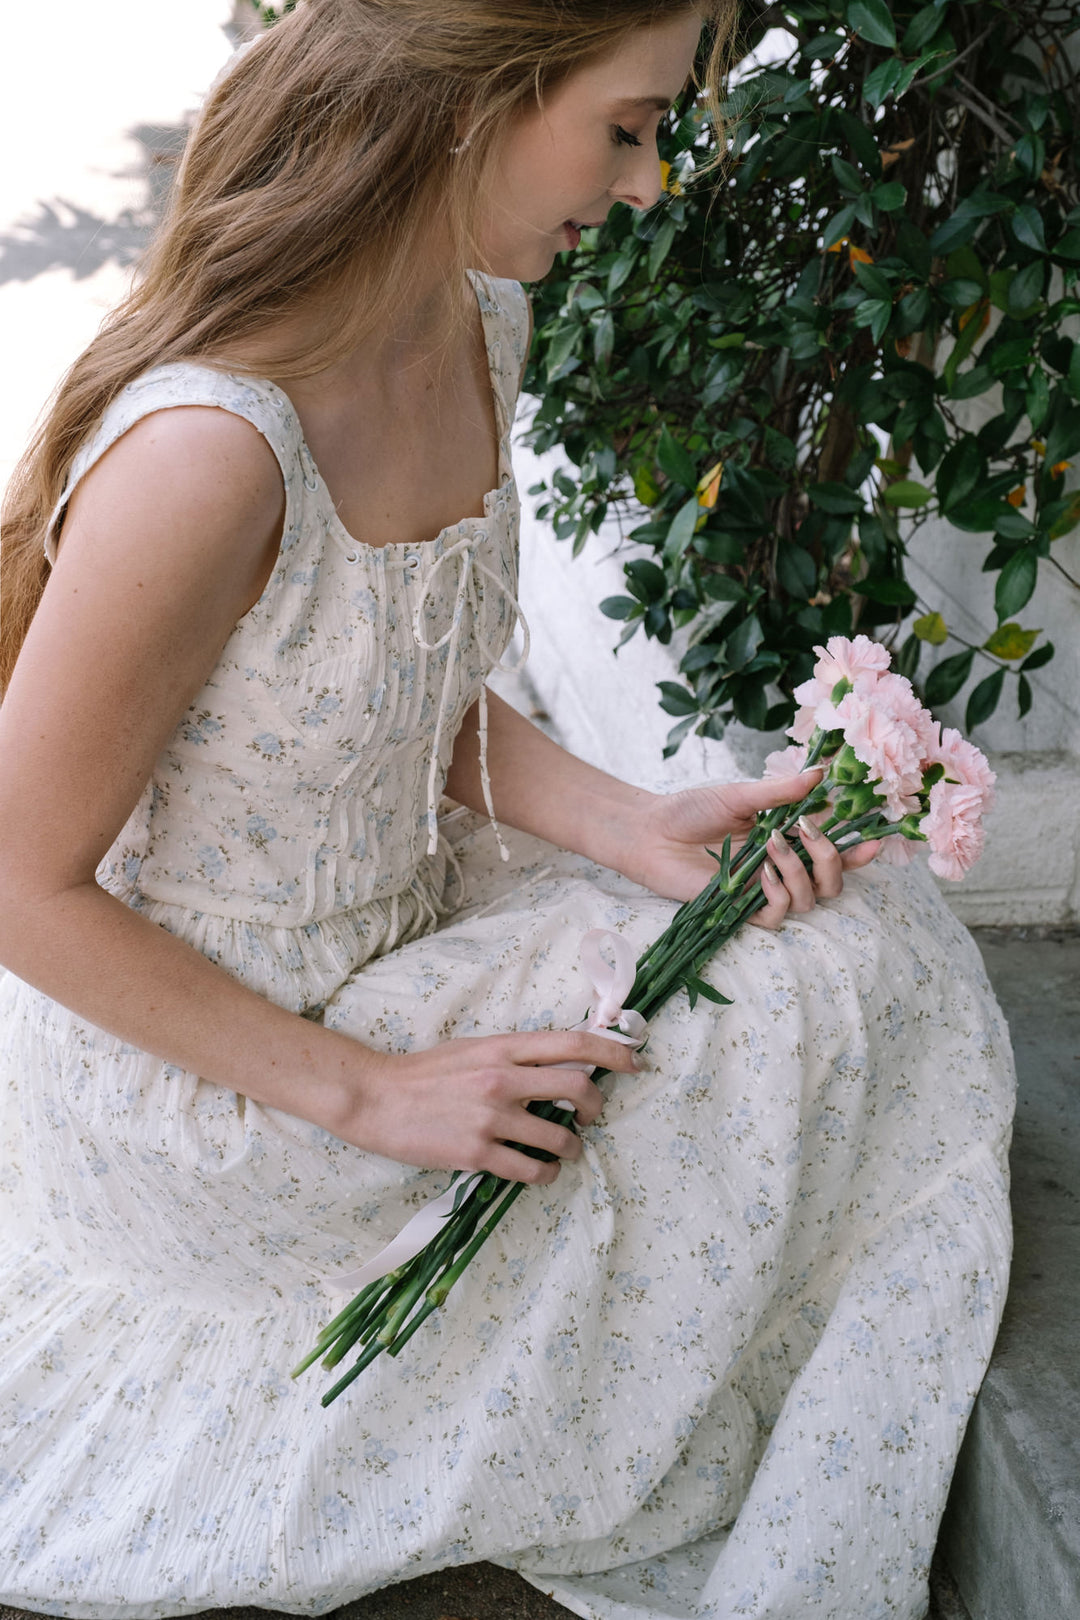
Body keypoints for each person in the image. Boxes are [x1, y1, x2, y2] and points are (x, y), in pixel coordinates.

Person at [0, 3, 1014, 1617]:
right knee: (797, 1007)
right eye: (625, 126)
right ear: (471, 99)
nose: (654, 181)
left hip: (405, 910)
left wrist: (628, 823)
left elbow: (389, 674)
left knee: (852, 929)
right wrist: (373, 1094)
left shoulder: (481, 321)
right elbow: (15, 884)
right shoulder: (209, 451)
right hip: (220, 1077)